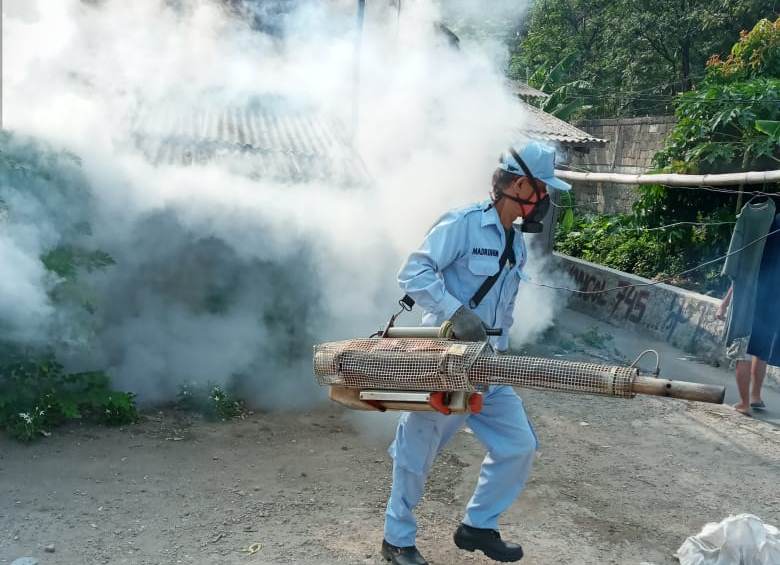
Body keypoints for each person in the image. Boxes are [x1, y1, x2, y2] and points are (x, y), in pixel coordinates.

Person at [381, 141, 571, 565]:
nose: (546, 199)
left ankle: (477, 526)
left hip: (490, 364)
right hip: (447, 360)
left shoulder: (515, 242)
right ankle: (397, 540)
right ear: (521, 185)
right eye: (543, 189)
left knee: (518, 444)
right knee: (418, 449)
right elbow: (413, 271)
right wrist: (456, 312)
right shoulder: (463, 224)